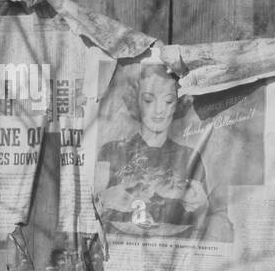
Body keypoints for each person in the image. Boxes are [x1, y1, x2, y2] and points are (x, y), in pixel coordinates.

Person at [93, 60, 232, 239]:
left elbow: (205, 222)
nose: (159, 111)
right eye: (149, 100)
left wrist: (203, 207)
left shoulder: (190, 156)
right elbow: (90, 213)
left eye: (168, 101)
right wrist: (104, 198)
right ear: (136, 100)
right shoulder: (109, 151)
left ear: (178, 104)